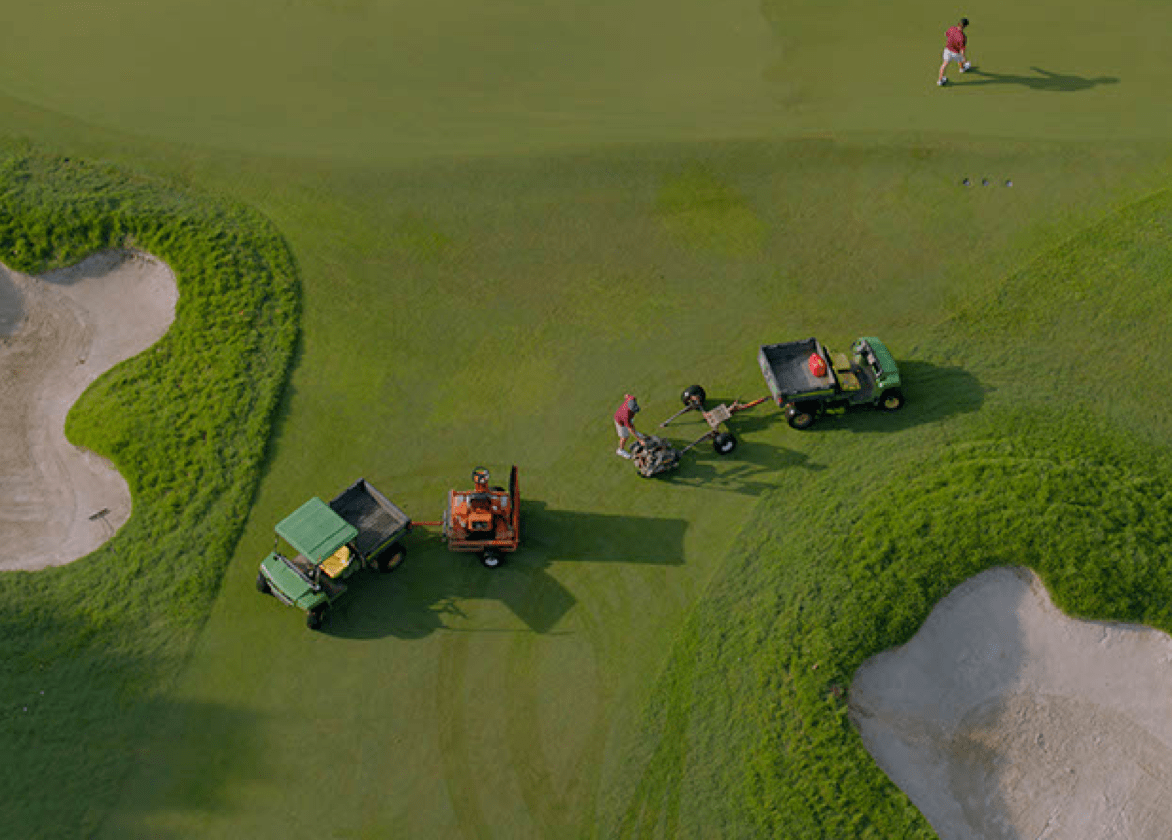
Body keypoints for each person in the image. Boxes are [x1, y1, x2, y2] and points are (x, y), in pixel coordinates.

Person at [937, 17, 971, 86]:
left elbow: (946, 34)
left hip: (947, 50)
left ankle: (940, 80)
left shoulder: (952, 28)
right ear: (965, 26)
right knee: (960, 60)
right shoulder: (963, 37)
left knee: (944, 64)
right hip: (956, 53)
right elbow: (962, 50)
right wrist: (964, 58)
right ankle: (962, 69)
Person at [613, 394, 641, 459]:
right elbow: (630, 429)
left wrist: (626, 396)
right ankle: (620, 450)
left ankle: (637, 433)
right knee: (625, 436)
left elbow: (626, 395)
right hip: (619, 420)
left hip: (625, 416)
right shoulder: (626, 416)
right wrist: (639, 440)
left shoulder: (632, 399)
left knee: (631, 425)